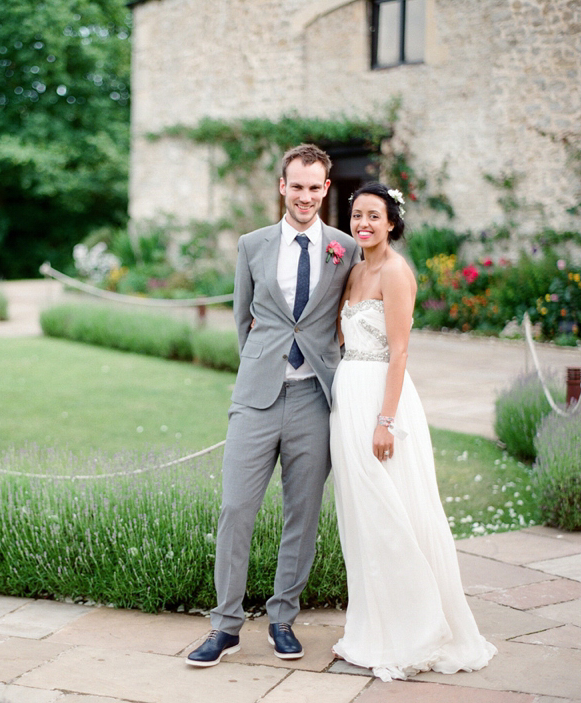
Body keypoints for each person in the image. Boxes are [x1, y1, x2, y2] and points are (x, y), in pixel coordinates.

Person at [186, 144, 359, 667]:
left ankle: (282, 618)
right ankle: (225, 626)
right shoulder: (252, 245)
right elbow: (243, 320)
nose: (305, 196)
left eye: (315, 187)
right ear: (282, 186)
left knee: (301, 515)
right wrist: (262, 366)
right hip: (257, 397)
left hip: (315, 397)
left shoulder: (345, 249)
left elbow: (349, 318)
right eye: (297, 186)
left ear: (326, 189)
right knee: (236, 508)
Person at [329, 182, 497, 681]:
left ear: (392, 223)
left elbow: (399, 351)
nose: (363, 224)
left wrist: (386, 420)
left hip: (384, 401)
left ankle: (416, 630)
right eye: (357, 215)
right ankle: (371, 630)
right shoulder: (355, 269)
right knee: (362, 516)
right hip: (349, 396)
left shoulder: (396, 273)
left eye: (373, 216)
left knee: (393, 513)